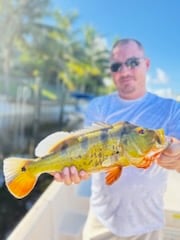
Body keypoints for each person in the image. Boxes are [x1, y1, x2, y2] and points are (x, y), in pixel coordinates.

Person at [53, 38, 180, 240]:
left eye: (132, 63)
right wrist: (74, 172)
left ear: (146, 64)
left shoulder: (172, 108)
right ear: (111, 71)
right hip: (100, 221)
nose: (124, 71)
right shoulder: (99, 106)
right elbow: (85, 152)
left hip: (147, 225)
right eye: (116, 66)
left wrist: (177, 158)